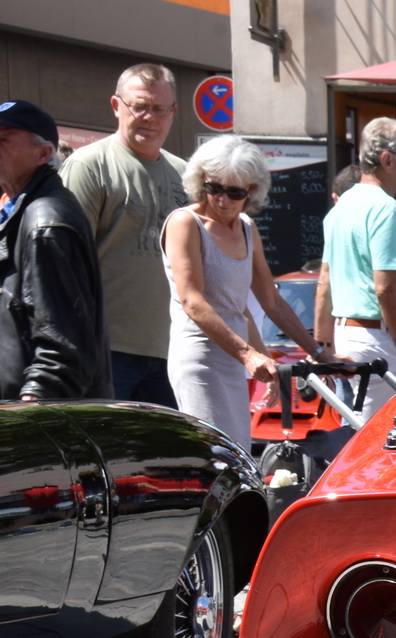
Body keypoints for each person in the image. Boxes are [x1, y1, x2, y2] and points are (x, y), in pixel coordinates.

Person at [163, 137, 324, 446]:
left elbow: (269, 302)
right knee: (219, 456)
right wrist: (249, 355)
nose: (222, 200)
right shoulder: (186, 222)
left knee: (239, 453)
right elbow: (192, 302)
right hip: (200, 358)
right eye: (214, 188)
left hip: (235, 358)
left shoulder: (247, 227)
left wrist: (315, 351)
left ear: (251, 191)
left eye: (234, 192)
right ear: (201, 180)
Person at [59, 63, 185, 407]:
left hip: (172, 349)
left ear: (173, 112)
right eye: (139, 106)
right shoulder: (89, 165)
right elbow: (64, 263)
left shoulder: (185, 174)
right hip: (107, 351)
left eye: (159, 108)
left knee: (165, 458)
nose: (150, 117)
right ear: (117, 106)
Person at [0, 100, 110, 401]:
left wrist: (34, 401)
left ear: (43, 154)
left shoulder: (45, 222)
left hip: (34, 420)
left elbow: (61, 342)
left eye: (4, 139)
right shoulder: (20, 210)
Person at [314, 117, 396, 413]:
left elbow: (325, 282)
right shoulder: (386, 209)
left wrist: (323, 349)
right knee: (390, 447)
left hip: (347, 337)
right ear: (387, 160)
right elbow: (386, 288)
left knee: (359, 443)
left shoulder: (342, 207)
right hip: (379, 341)